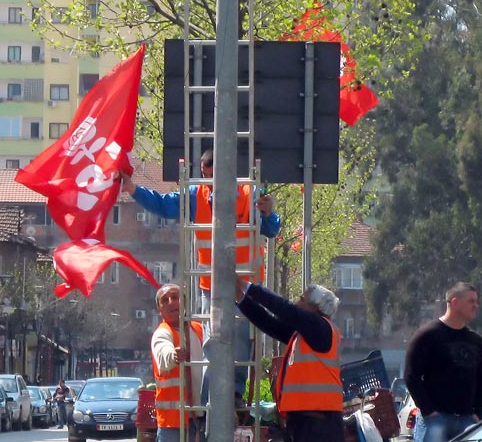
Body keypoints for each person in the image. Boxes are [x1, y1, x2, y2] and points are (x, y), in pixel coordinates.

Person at [121, 149, 281, 406]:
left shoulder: (249, 195)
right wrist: (132, 189)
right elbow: (164, 205)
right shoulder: (198, 195)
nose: (211, 183)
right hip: (212, 285)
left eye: (214, 176)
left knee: (240, 340)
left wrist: (268, 213)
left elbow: (272, 229)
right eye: (207, 177)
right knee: (212, 342)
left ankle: (235, 395)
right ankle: (211, 401)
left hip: (245, 287)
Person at [234, 277, 344, 442]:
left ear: (314, 308)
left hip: (318, 424)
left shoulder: (320, 328)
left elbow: (284, 308)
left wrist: (245, 286)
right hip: (307, 421)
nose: (296, 303)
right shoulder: (307, 334)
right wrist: (239, 296)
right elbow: (268, 323)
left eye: (301, 299)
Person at [404, 282, 482, 442]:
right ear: (455, 302)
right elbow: (411, 376)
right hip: (435, 420)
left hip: (468, 421)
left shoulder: (476, 341)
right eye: (471, 301)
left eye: (477, 301)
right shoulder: (427, 335)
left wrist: (478, 415)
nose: (476, 305)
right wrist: (429, 411)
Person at [152, 283, 204, 442]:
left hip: (200, 416)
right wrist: (173, 356)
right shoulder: (162, 332)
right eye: (164, 300)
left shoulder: (199, 329)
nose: (170, 302)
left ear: (184, 302)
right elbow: (162, 353)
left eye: (175, 297)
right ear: (159, 309)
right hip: (173, 422)